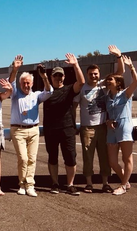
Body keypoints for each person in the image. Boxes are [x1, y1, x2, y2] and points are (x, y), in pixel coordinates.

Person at [73, 45, 124, 193]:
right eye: (91, 74)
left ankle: (105, 182)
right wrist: (72, 123)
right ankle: (88, 183)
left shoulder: (104, 85)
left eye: (95, 74)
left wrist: (118, 56)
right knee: (88, 156)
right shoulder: (82, 88)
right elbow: (74, 106)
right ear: (87, 75)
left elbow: (120, 73)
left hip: (103, 127)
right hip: (87, 128)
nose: (93, 76)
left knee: (104, 156)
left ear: (99, 74)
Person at [8, 55, 51, 197]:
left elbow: (49, 92)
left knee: (32, 159)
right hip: (18, 130)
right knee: (23, 158)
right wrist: (15, 69)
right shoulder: (15, 95)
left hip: (33, 130)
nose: (26, 85)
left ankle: (30, 184)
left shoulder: (36, 95)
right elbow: (11, 82)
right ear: (21, 84)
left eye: (28, 83)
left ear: (32, 84)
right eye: (24, 83)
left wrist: (44, 76)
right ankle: (21, 184)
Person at [43, 53, 85, 195]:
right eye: (55, 75)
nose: (58, 78)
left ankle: (70, 184)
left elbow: (81, 83)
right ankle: (55, 183)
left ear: (64, 77)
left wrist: (75, 65)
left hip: (67, 128)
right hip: (51, 130)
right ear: (51, 77)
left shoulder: (68, 89)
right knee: (52, 157)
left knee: (70, 157)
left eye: (60, 75)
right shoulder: (47, 92)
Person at [105, 55, 137, 195]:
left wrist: (131, 66)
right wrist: (108, 121)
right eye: (107, 80)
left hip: (124, 127)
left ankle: (123, 186)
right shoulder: (108, 97)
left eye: (110, 80)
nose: (108, 81)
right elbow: (108, 113)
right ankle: (125, 179)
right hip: (111, 130)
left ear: (117, 82)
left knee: (127, 158)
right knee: (112, 162)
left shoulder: (126, 94)